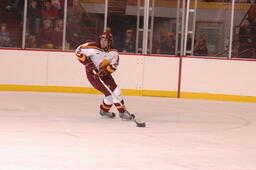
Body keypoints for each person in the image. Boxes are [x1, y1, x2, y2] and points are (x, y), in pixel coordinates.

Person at [75, 32, 133, 120]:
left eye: (105, 40)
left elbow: (114, 66)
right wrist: (88, 63)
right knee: (115, 91)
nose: (103, 42)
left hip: (105, 74)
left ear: (110, 42)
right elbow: (78, 51)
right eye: (102, 39)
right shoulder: (93, 47)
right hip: (93, 75)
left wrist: (104, 72)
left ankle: (104, 111)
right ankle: (122, 112)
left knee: (110, 93)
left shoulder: (114, 52)